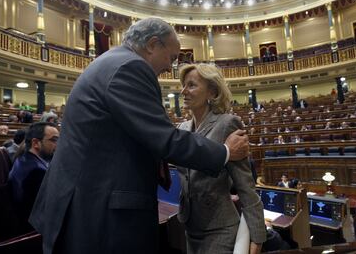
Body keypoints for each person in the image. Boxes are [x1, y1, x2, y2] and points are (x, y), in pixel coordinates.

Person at [29, 18, 250, 254]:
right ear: (153, 44)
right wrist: (225, 151)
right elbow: (165, 139)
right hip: (97, 212)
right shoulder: (130, 67)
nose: (170, 68)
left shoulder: (111, 62)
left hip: (86, 203)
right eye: (172, 58)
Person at [177, 63, 266, 253]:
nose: (183, 91)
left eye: (191, 85)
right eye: (183, 85)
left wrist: (257, 236)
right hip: (190, 225)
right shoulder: (182, 129)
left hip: (220, 228)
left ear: (212, 92)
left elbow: (245, 185)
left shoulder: (227, 123)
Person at [8, 122, 59, 233]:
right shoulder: (37, 172)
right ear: (36, 143)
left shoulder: (24, 159)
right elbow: (53, 209)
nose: (58, 145)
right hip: (33, 234)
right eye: (54, 140)